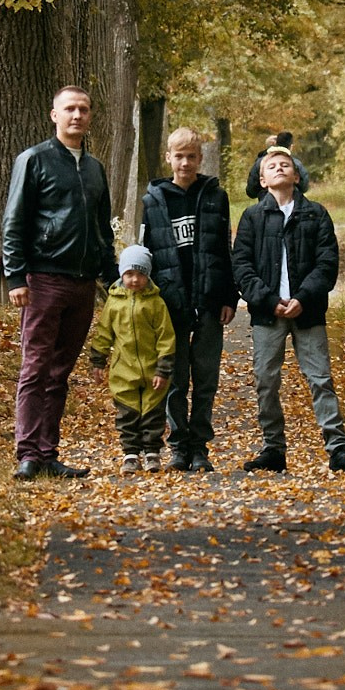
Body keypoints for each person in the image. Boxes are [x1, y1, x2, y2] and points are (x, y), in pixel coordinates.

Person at [231, 147, 345, 475]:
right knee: (265, 380)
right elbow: (241, 266)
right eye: (272, 166)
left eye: (287, 165)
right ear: (263, 180)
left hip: (307, 313)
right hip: (268, 313)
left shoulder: (316, 214)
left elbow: (327, 263)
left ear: (297, 176)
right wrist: (269, 300)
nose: (280, 168)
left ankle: (338, 449)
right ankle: (273, 448)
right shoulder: (252, 218)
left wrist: (303, 299)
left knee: (320, 379)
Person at [3, 85, 115, 480]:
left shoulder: (95, 168)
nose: (77, 115)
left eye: (84, 109)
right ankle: (28, 454)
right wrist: (15, 275)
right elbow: (14, 220)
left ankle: (48, 453)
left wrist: (112, 275)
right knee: (35, 367)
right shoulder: (34, 160)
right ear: (54, 115)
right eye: (69, 109)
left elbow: (102, 229)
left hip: (82, 283)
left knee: (60, 371)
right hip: (43, 278)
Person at [138, 128, 236, 473]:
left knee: (206, 377)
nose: (185, 162)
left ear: (200, 159)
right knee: (176, 379)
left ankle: (200, 447)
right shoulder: (153, 200)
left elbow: (225, 250)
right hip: (170, 302)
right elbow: (146, 254)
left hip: (210, 298)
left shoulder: (215, 197)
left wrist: (229, 297)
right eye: (178, 156)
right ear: (168, 157)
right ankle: (178, 446)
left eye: (191, 156)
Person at [88, 245, 177, 473]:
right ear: (121, 274)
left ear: (148, 276)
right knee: (127, 414)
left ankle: (152, 453)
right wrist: (98, 361)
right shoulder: (114, 302)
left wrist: (163, 369)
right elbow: (104, 333)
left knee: (152, 413)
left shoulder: (156, 303)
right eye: (129, 274)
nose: (135, 280)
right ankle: (130, 453)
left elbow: (166, 337)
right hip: (123, 370)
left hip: (151, 370)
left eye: (140, 274)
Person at [244, 131, 312, 200]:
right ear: (291, 147)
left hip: (266, 205)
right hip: (292, 203)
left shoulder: (259, 163)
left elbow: (251, 191)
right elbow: (304, 187)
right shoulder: (296, 163)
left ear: (276, 143)